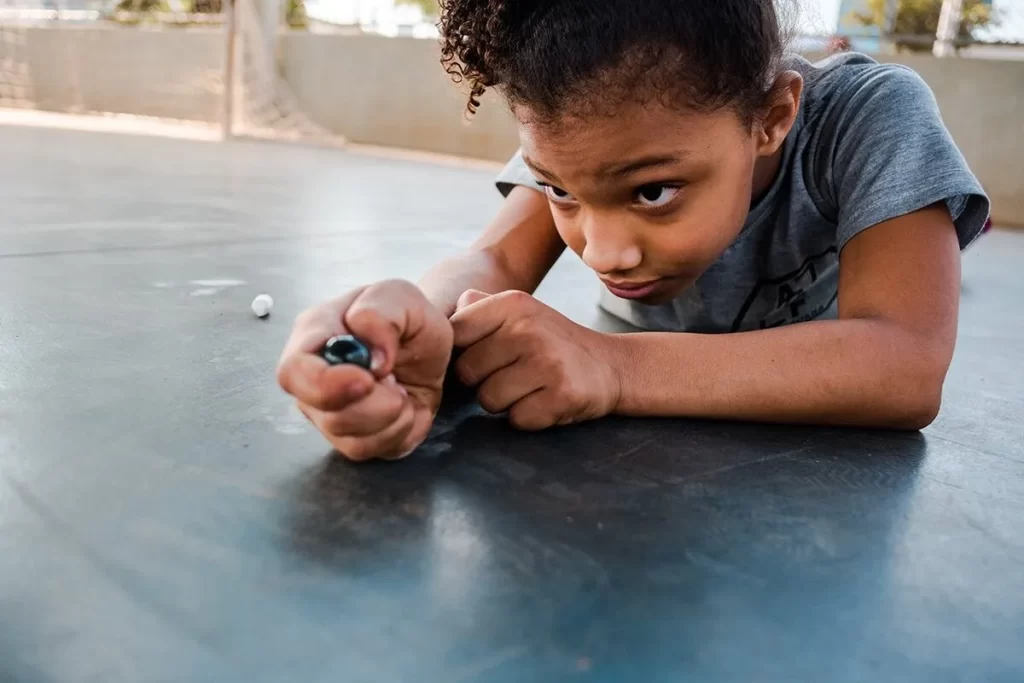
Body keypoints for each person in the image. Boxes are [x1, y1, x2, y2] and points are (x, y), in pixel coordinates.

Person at [276, 0, 990, 461]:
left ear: (772, 116)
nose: (604, 252)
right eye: (559, 189)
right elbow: (492, 260)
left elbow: (904, 364)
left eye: (653, 191)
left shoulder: (867, 117)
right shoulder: (587, 142)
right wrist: (406, 326)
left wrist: (614, 367)